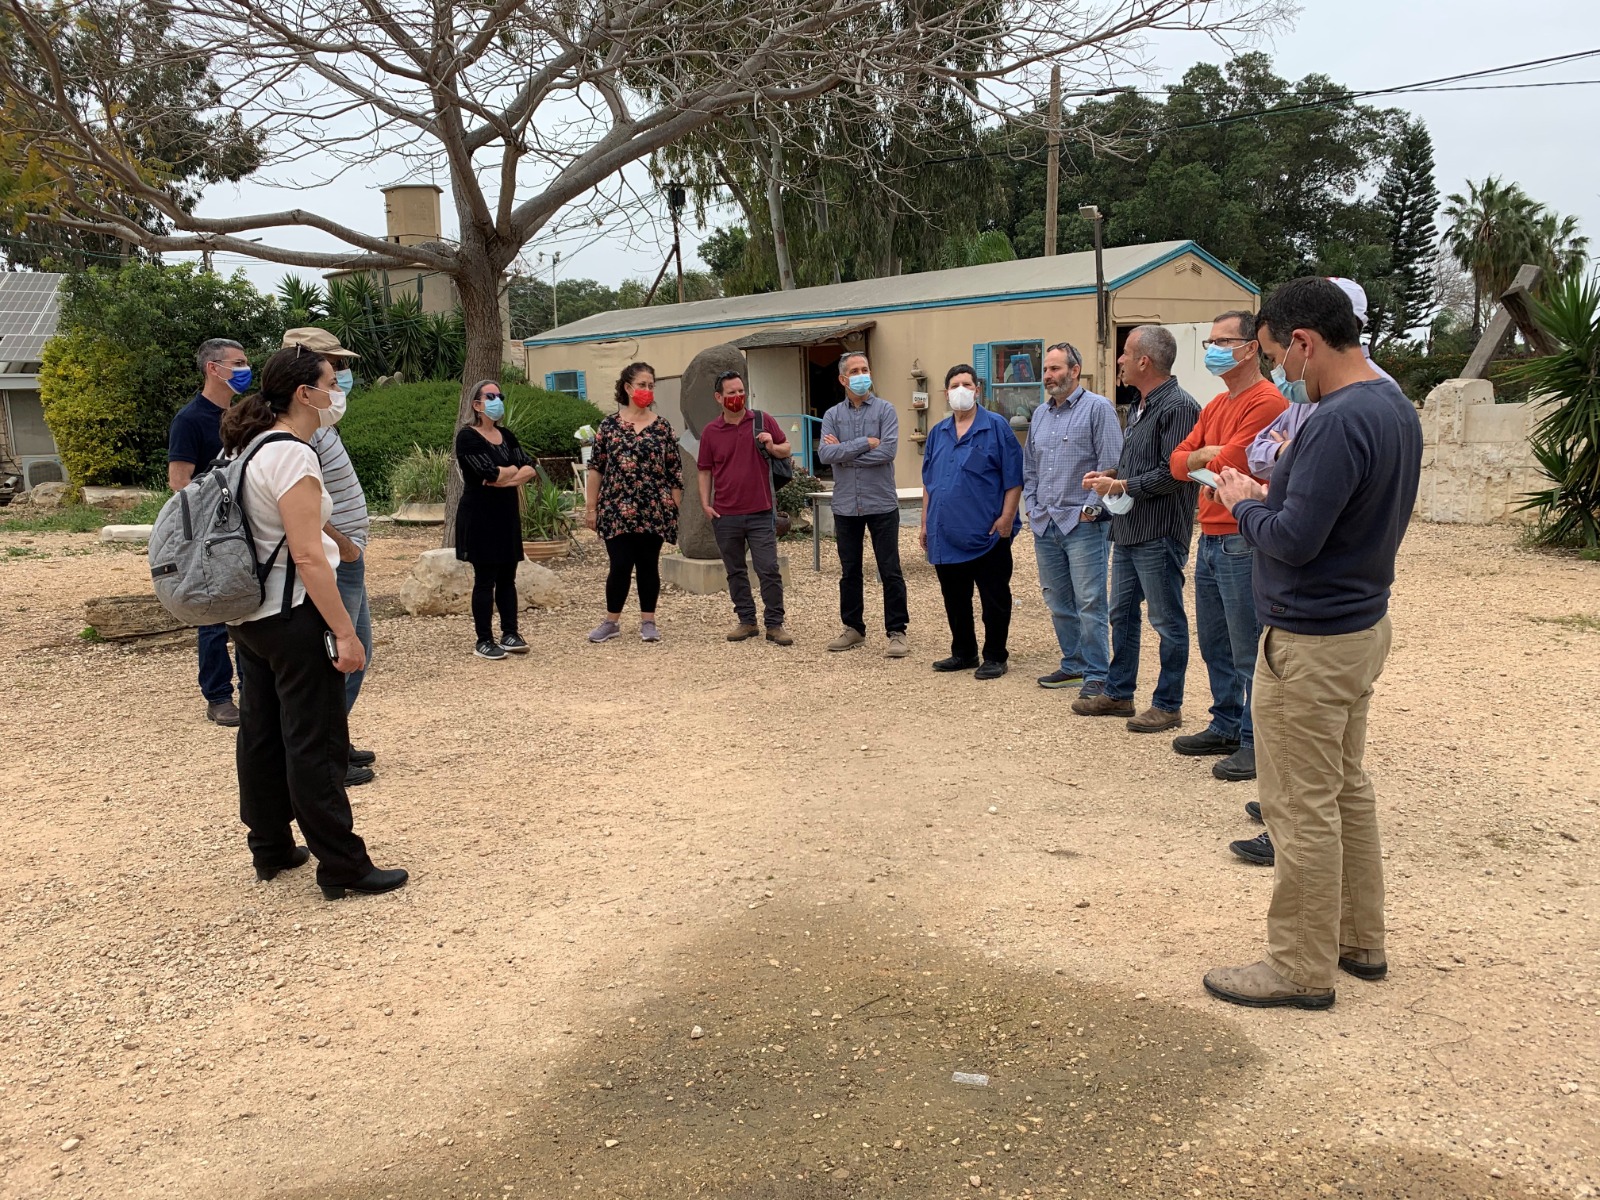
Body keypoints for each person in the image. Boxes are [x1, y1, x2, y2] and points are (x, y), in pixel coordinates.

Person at [1201, 276, 1422, 1009]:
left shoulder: (1331, 420)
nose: (1278, 371)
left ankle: (1299, 966)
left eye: (1276, 354)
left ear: (1303, 341)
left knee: (1298, 805)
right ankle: (1360, 939)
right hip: (1360, 625)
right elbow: (1337, 515)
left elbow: (1294, 541)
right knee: (1345, 789)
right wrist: (1275, 501)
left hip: (1312, 638)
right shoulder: (1393, 406)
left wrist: (1243, 504)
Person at [220, 346, 407, 901]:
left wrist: (343, 543)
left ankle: (271, 847)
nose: (336, 392)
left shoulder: (250, 447)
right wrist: (344, 633)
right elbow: (304, 554)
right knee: (316, 741)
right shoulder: (295, 456)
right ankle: (343, 866)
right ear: (305, 393)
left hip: (251, 617)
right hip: (295, 615)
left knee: (262, 734)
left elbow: (284, 531)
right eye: (331, 382)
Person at [1167, 311, 1287, 783]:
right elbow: (1180, 462)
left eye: (1223, 340)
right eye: (1209, 341)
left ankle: (1257, 743)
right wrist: (1200, 456)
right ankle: (1225, 723)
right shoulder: (1216, 405)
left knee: (1247, 647)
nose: (1213, 348)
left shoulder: (1266, 402)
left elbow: (1231, 463)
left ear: (1251, 347)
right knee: (1215, 641)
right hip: (1213, 534)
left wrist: (1199, 457)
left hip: (1240, 535)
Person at [1077, 326, 1200, 732]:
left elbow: (1175, 473)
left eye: (1125, 354)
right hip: (1129, 530)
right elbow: (1142, 464)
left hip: (1159, 531)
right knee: (1121, 615)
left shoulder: (1178, 407)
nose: (1120, 361)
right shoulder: (1141, 405)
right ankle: (1119, 693)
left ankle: (1168, 703)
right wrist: (1111, 474)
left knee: (1166, 621)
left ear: (1144, 361)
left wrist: (1122, 485)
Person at [282, 328, 375, 787]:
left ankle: (334, 738)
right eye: (332, 366)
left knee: (358, 653)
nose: (340, 375)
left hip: (346, 554)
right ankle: (324, 755)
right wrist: (345, 543)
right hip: (334, 558)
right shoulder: (295, 433)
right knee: (341, 654)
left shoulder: (320, 424)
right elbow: (303, 507)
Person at [1023, 342, 1123, 696]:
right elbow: (1030, 466)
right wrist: (1032, 505)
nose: (1048, 376)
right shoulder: (1040, 415)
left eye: (1055, 369)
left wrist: (1090, 510)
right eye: (1046, 370)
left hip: (1083, 525)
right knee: (1058, 601)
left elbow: (1112, 464)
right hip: (1045, 522)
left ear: (1075, 370)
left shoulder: (1099, 409)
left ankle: (1097, 674)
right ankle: (1074, 664)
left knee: (1090, 600)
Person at [168, 338, 252, 727]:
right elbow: (179, 481)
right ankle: (218, 695)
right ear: (213, 368)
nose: (244, 368)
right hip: (211, 534)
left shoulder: (244, 416)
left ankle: (254, 689)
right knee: (213, 616)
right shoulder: (189, 420)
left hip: (246, 527)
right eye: (237, 362)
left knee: (250, 611)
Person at [920, 365, 1023, 679]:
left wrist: (1006, 518)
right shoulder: (938, 432)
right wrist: (925, 523)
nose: (960, 389)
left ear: (977, 390)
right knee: (954, 597)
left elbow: (1013, 478)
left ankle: (995, 655)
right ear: (946, 392)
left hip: (987, 533)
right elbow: (928, 481)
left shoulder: (996, 427)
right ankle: (963, 652)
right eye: (954, 385)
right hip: (945, 532)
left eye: (967, 384)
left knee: (994, 597)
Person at [1246, 278, 1398, 482]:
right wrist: (1284, 450)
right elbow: (1256, 452)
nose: (1276, 369)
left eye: (1274, 358)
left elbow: (1311, 498)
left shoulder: (1349, 410)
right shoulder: (1307, 389)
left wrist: (1247, 504)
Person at [583, 362, 684, 643]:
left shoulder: (662, 426)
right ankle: (611, 621)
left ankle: (648, 621)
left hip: (654, 508)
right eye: (642, 384)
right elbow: (596, 468)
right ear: (628, 388)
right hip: (616, 507)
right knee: (620, 564)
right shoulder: (609, 425)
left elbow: (674, 471)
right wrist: (591, 508)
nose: (647, 390)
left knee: (648, 564)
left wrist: (673, 508)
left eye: (651, 385)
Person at [817, 351, 908, 658]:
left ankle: (897, 631)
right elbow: (824, 456)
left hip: (881, 503)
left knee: (890, 569)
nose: (861, 374)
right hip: (846, 506)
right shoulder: (832, 415)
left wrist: (844, 454)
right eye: (854, 370)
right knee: (850, 571)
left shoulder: (886, 410)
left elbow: (888, 452)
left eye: (865, 368)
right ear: (843, 379)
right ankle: (853, 628)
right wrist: (863, 443)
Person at [696, 370, 794, 645]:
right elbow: (704, 470)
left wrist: (772, 446)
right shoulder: (711, 432)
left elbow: (787, 449)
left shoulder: (762, 420)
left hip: (761, 511)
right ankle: (746, 621)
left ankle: (775, 625)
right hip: (725, 514)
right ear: (719, 397)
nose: (737, 397)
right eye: (731, 393)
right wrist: (705, 504)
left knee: (768, 569)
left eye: (741, 391)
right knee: (735, 570)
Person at [454, 380, 537, 660]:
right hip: (480, 516)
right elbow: (487, 473)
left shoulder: (507, 435)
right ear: (477, 404)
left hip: (506, 515)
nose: (496, 400)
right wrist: (512, 472)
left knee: (508, 577)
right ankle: (484, 639)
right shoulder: (467, 437)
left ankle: (510, 632)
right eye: (490, 396)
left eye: (499, 395)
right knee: (485, 578)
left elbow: (530, 466)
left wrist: (509, 474)